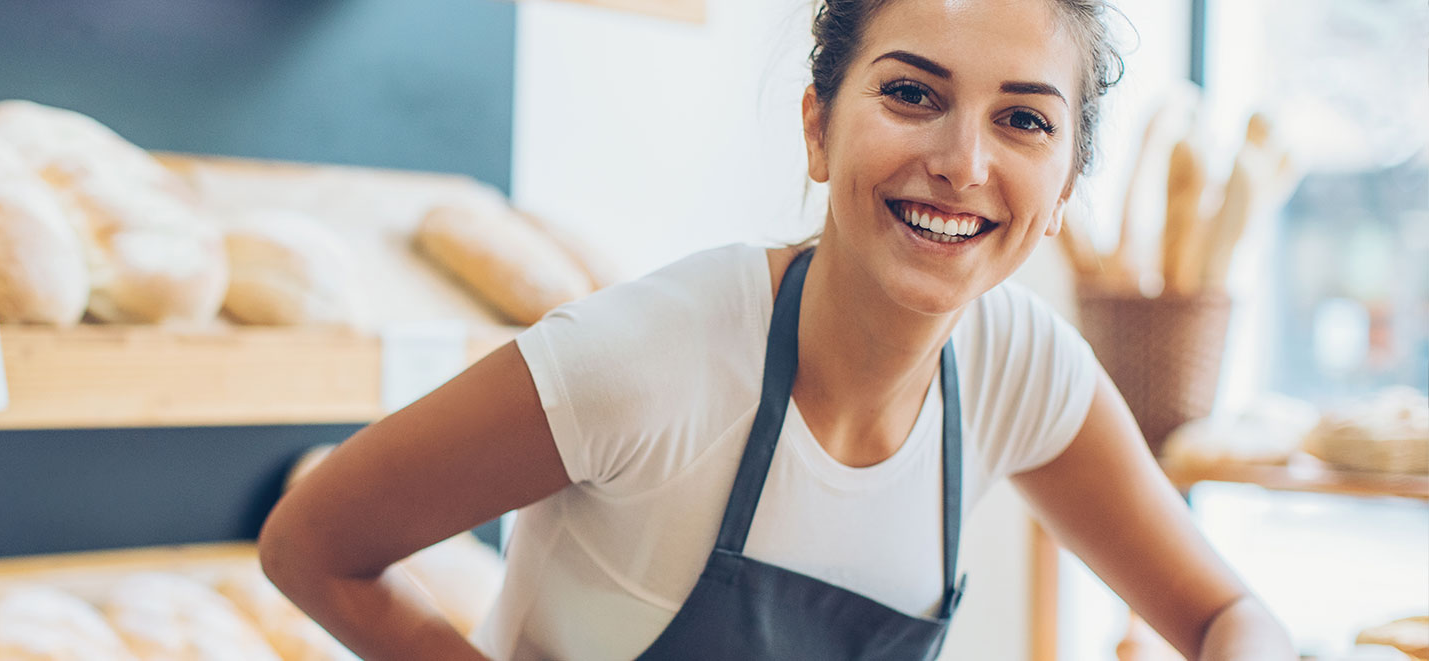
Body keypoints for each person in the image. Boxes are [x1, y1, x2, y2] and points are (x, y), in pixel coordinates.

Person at [259, 0, 1299, 658]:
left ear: (1065, 185)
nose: (963, 164)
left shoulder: (1018, 367)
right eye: (911, 94)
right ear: (818, 125)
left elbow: (1227, 617)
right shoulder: (651, 357)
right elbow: (313, 544)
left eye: (1023, 119)